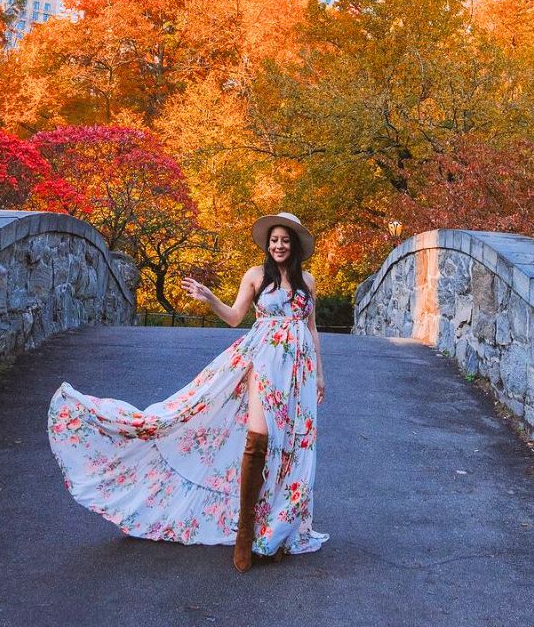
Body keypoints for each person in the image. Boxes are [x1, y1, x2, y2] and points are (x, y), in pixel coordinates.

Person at [47, 211, 329, 571]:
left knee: (291, 446)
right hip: (264, 361)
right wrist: (210, 297)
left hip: (299, 371)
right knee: (257, 439)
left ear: (295, 245)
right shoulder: (256, 276)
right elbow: (234, 317)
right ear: (267, 244)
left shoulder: (308, 281)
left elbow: (312, 327)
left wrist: (320, 374)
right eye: (274, 240)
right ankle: (245, 532)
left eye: (285, 240)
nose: (278, 245)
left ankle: (276, 527)